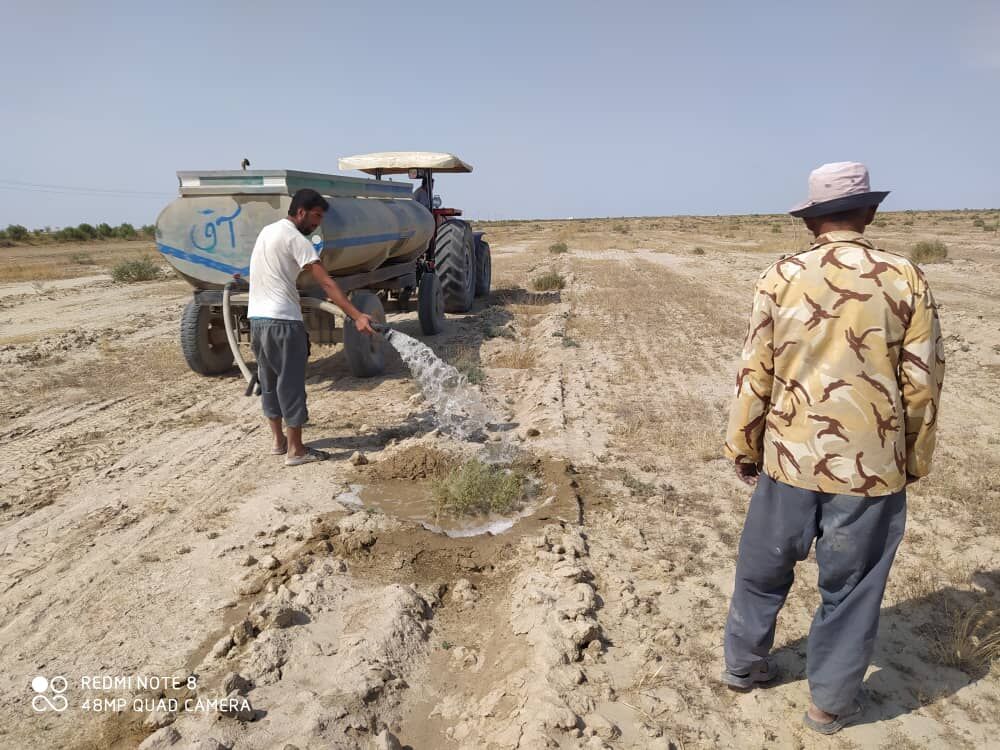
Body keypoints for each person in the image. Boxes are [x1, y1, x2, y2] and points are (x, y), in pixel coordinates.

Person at [721, 162, 945, 734]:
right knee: (852, 589)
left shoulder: (780, 276)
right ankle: (829, 706)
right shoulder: (905, 277)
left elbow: (756, 372)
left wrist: (745, 445)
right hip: (871, 470)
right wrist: (912, 458)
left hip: (789, 459)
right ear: (869, 213)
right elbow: (922, 380)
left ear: (811, 221)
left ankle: (744, 667)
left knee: (762, 569)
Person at [248, 188, 375, 466]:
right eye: (316, 216)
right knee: (291, 384)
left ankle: (279, 442)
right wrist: (357, 316)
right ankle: (296, 451)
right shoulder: (297, 239)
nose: (318, 223)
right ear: (301, 211)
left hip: (257, 321)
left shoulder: (267, 232)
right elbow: (327, 283)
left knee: (268, 382)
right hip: (283, 322)